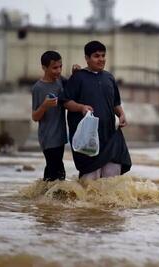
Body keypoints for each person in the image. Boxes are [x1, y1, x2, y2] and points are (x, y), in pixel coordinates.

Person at [63, 40, 132, 180]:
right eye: (96, 56)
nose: (101, 59)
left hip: (109, 137)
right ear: (87, 58)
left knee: (111, 181)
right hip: (87, 138)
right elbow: (66, 102)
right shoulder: (78, 77)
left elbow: (115, 103)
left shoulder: (109, 78)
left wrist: (122, 114)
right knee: (90, 182)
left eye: (103, 56)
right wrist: (81, 107)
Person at [31, 51, 67, 181]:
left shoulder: (61, 81)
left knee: (52, 172)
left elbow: (75, 87)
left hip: (61, 137)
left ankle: (41, 198)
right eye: (54, 68)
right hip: (48, 138)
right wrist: (44, 106)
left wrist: (76, 72)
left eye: (60, 67)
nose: (58, 71)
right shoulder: (38, 88)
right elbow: (35, 117)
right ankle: (52, 199)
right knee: (59, 174)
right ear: (44, 68)